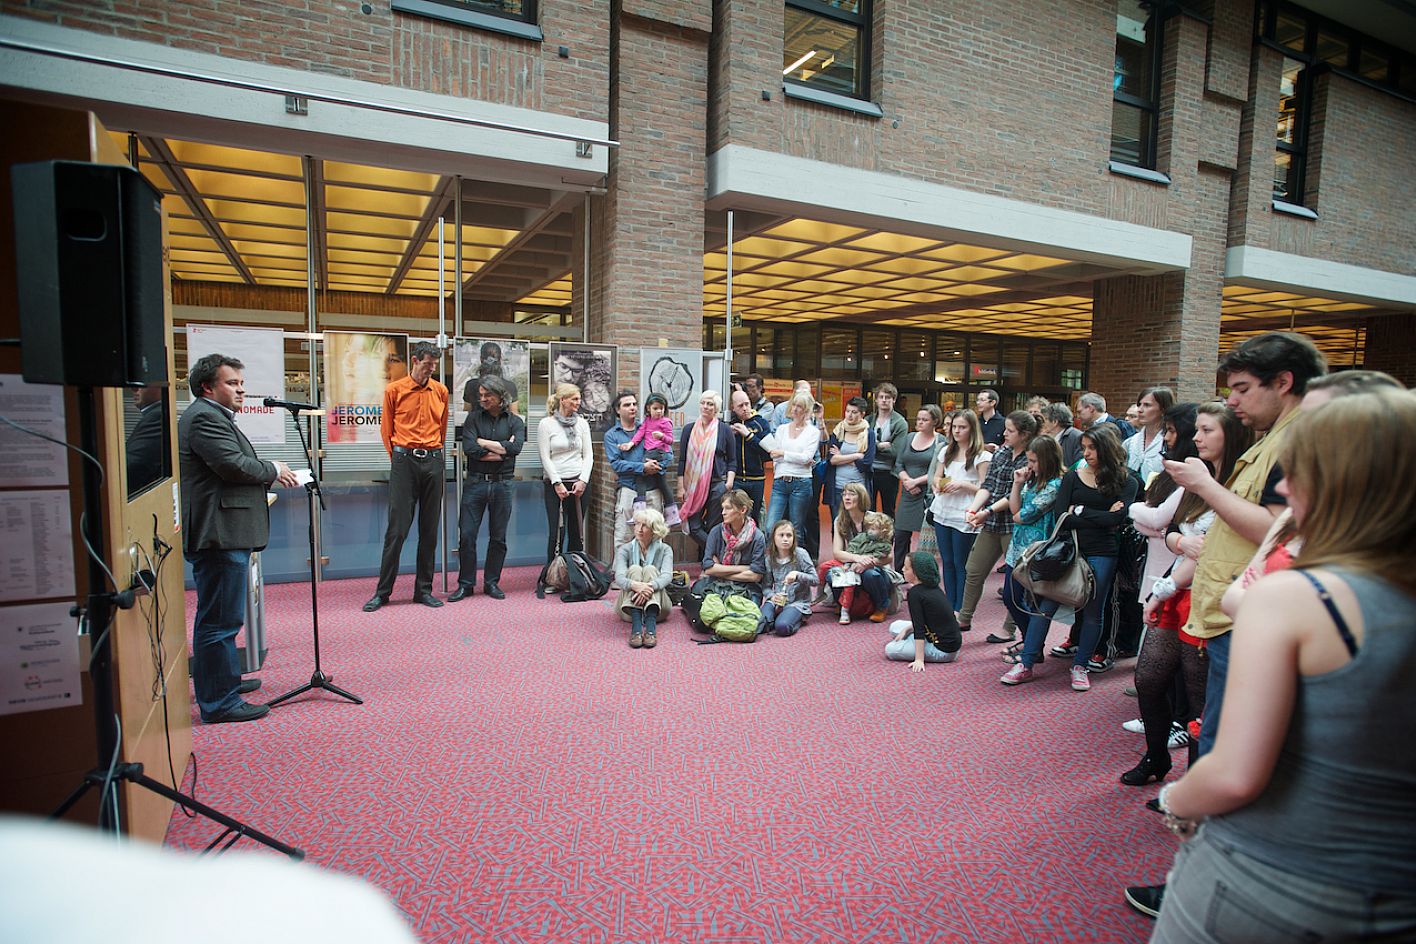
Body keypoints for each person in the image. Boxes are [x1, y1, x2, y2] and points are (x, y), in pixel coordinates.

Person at [1147, 390, 1416, 943]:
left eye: (1301, 471)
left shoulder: (1300, 595)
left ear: (1349, 482)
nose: (1285, 490)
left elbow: (1234, 774)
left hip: (1278, 877)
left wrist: (1177, 802)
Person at [1124, 401, 1248, 787]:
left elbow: (1210, 548)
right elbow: (1172, 529)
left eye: (1208, 430)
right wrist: (1179, 544)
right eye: (1197, 430)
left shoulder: (1238, 487)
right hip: (1178, 585)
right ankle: (1156, 757)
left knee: (1199, 698)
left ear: (1233, 434)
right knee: (1148, 679)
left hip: (1207, 594)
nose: (1197, 438)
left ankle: (1196, 779)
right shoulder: (1199, 478)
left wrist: (1171, 574)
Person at [179, 353, 299, 723]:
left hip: (226, 530)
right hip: (219, 533)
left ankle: (224, 682)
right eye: (232, 383)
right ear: (207, 387)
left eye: (242, 383)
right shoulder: (203, 417)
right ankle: (219, 702)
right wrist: (273, 469)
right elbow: (231, 465)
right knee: (219, 622)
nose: (241, 390)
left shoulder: (213, 416)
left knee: (223, 618)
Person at [1001, 424, 1137, 692]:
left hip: (1103, 552)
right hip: (1067, 549)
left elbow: (1118, 520)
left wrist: (1081, 511)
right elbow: (1062, 517)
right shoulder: (1073, 477)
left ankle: (1080, 666)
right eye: (1084, 447)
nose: (1086, 453)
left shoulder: (1127, 481)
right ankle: (1026, 663)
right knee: (1046, 605)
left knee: (1093, 610)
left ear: (1107, 449)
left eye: (1092, 448)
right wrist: (1101, 516)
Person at [365, 342, 449, 612]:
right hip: (404, 461)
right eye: (427, 364)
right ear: (414, 360)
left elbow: (442, 429)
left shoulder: (441, 391)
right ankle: (382, 592)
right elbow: (386, 430)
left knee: (430, 529)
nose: (431, 369)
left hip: (433, 460)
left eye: (434, 365)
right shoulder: (395, 390)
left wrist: (434, 454)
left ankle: (423, 590)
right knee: (397, 530)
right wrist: (400, 460)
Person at [957, 410, 1038, 637]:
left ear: (1024, 434)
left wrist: (987, 510)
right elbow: (989, 485)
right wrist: (974, 509)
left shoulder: (1032, 458)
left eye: (1010, 431)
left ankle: (1009, 628)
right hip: (992, 522)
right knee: (974, 570)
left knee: (1016, 579)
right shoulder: (1002, 452)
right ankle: (964, 618)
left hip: (1016, 525)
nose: (1004, 434)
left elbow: (1016, 494)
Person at [449, 375, 524, 602]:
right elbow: (470, 449)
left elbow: (515, 449)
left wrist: (484, 443)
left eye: (487, 395)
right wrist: (501, 450)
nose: (482, 399)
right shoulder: (473, 419)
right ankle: (466, 584)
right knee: (467, 535)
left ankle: (492, 582)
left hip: (503, 484)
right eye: (480, 395)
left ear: (500, 396)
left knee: (498, 537)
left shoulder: (515, 422)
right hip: (476, 483)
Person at [998, 435, 1064, 655]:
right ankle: (1030, 644)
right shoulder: (1031, 480)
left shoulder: (1054, 485)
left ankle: (1032, 648)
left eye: (1034, 461)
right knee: (1010, 597)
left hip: (1037, 552)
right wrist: (1017, 484)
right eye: (1029, 460)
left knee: (1032, 602)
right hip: (1017, 548)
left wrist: (1017, 513)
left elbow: (1021, 516)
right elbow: (1014, 509)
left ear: (1047, 460)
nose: (1030, 465)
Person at [927, 409, 988, 610]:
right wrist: (938, 484)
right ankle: (950, 602)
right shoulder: (946, 451)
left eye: (962, 427)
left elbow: (986, 488)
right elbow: (937, 476)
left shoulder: (981, 456)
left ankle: (961, 607)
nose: (957, 431)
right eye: (954, 427)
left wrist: (963, 484)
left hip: (965, 510)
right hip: (944, 508)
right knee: (947, 560)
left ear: (972, 429)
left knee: (960, 562)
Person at [604, 390, 673, 548]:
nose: (632, 407)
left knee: (655, 539)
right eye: (627, 405)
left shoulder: (649, 427)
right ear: (618, 410)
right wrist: (642, 467)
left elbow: (668, 453)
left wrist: (659, 466)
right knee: (624, 539)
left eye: (634, 404)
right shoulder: (612, 435)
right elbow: (616, 464)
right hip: (629, 490)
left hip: (653, 490)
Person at [819, 483, 893, 625]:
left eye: (852, 494)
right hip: (852, 564)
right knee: (831, 573)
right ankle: (841, 603)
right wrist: (858, 559)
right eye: (844, 494)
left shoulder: (875, 519)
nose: (846, 498)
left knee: (870, 574)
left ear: (861, 497)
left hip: (875, 567)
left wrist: (868, 562)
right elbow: (837, 553)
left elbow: (889, 557)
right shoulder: (840, 520)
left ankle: (882, 606)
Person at [537, 383, 593, 566]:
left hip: (579, 483)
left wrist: (583, 480)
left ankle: (576, 572)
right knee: (557, 532)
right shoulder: (546, 424)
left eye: (579, 399)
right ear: (562, 400)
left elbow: (588, 455)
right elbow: (545, 456)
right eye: (574, 399)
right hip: (556, 484)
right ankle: (553, 572)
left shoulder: (582, 424)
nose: (578, 402)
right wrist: (557, 482)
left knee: (576, 531)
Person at [678, 390, 737, 558]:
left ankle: (708, 563)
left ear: (716, 408)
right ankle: (718, 555)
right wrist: (681, 487)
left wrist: (729, 483)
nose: (705, 406)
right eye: (703, 403)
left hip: (717, 485)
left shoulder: (724, 430)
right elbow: (682, 460)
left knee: (713, 526)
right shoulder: (689, 430)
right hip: (693, 485)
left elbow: (732, 460)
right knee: (693, 526)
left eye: (710, 404)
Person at [885, 551, 962, 668]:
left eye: (907, 568)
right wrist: (907, 629)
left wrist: (919, 659)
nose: (902, 569)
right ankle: (908, 640)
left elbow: (919, 627)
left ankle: (913, 646)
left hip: (942, 650)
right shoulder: (932, 587)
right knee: (895, 626)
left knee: (890, 649)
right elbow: (927, 619)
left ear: (917, 573)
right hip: (944, 639)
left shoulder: (915, 593)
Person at [611, 507, 674, 649]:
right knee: (635, 569)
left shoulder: (665, 549)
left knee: (650, 570)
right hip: (627, 609)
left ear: (654, 529)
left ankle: (651, 630)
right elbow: (619, 577)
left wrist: (648, 587)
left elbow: (667, 576)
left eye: (644, 525)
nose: (639, 529)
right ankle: (636, 630)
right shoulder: (625, 549)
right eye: (637, 524)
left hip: (659, 610)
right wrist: (635, 585)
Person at [891, 404, 944, 570]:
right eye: (919, 419)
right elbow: (898, 464)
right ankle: (900, 570)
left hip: (927, 494)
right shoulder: (909, 437)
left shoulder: (941, 441)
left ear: (935, 421)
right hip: (908, 492)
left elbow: (941, 471)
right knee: (900, 534)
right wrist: (908, 482)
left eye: (925, 420)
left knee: (928, 537)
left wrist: (917, 482)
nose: (920, 422)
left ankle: (925, 572)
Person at [764, 393, 818, 549]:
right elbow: (775, 455)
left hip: (801, 482)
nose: (794, 409)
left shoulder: (813, 432)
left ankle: (795, 561)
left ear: (806, 410)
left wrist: (784, 454)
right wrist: (791, 458)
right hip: (780, 481)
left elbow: (807, 457)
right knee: (770, 526)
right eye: (793, 405)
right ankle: (774, 558)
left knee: (796, 529)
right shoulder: (782, 429)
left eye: (799, 406)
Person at [699, 488, 767, 601]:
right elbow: (708, 568)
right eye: (723, 508)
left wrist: (720, 571)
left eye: (728, 508)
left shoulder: (757, 537)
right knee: (701, 604)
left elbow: (756, 576)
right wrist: (745, 568)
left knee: (747, 609)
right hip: (717, 584)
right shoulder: (716, 532)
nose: (723, 512)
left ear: (743, 510)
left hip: (747, 588)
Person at [758, 520, 818, 637]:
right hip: (777, 601)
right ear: (774, 538)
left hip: (797, 603)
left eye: (789, 535)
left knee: (782, 627)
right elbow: (766, 587)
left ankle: (796, 619)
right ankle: (775, 619)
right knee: (761, 623)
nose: (785, 539)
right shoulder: (769, 559)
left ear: (794, 538)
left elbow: (815, 580)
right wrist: (772, 596)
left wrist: (797, 575)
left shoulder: (801, 554)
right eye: (781, 535)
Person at [619, 392, 675, 512]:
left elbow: (670, 441)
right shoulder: (647, 421)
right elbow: (640, 433)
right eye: (655, 408)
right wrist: (630, 444)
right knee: (662, 482)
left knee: (640, 475)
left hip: (658, 452)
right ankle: (672, 512)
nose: (659, 411)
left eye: (661, 408)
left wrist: (661, 437)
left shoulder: (666, 422)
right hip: (650, 451)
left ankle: (640, 508)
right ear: (648, 408)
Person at [823, 396, 875, 521]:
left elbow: (866, 464)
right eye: (847, 411)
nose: (849, 415)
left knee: (858, 525)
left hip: (859, 489)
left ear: (862, 414)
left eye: (854, 412)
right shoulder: (838, 431)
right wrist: (856, 456)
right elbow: (832, 460)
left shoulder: (869, 434)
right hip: (838, 487)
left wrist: (841, 457)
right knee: (838, 524)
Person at [727, 388, 772, 526]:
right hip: (737, 478)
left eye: (747, 404)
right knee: (735, 516)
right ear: (733, 407)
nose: (745, 408)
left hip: (756, 479)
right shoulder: (728, 424)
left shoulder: (761, 423)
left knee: (755, 517)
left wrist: (749, 436)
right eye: (740, 406)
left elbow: (768, 453)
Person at [869, 383, 908, 517]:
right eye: (881, 397)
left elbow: (896, 451)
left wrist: (873, 446)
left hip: (889, 473)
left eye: (888, 397)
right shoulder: (868, 420)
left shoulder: (900, 423)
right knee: (869, 511)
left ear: (894, 400)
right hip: (869, 472)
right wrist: (880, 446)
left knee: (889, 511)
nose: (884, 400)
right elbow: (863, 447)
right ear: (876, 400)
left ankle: (889, 532)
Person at [1124, 386, 1175, 482]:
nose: (1140, 410)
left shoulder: (1171, 442)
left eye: (1147, 405)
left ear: (1163, 409)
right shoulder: (1130, 442)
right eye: (1139, 404)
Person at [125, 383, 167, 498]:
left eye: (142, 383)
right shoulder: (154, 415)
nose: (134, 389)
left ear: (160, 386)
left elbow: (133, 465)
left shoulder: (157, 417)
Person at [1040, 402, 1083, 469]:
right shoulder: (1047, 437)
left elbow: (1079, 465)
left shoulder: (1077, 437)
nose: (1043, 423)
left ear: (1055, 422)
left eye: (1045, 419)